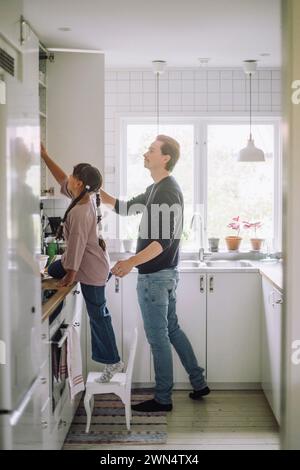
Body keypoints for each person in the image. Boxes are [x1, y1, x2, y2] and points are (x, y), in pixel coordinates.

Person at [101, 135, 210, 412]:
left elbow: (160, 242)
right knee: (171, 330)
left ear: (165, 158)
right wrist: (95, 190)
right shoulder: (155, 189)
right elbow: (124, 208)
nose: (145, 153)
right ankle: (199, 383)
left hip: (155, 277)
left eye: (151, 150)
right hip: (164, 275)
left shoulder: (166, 192)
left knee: (158, 337)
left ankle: (163, 399)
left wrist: (130, 262)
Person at [41, 144, 123, 382]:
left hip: (91, 270)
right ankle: (113, 358)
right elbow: (61, 178)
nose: (69, 178)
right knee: (53, 269)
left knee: (99, 314)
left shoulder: (80, 211)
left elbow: (75, 246)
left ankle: (113, 361)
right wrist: (45, 154)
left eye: (72, 175)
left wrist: (69, 276)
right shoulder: (84, 194)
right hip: (89, 261)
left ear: (78, 183)